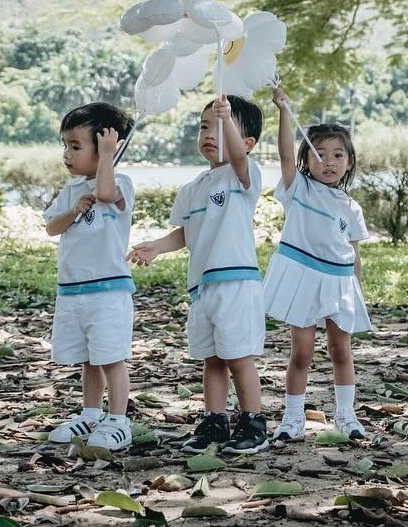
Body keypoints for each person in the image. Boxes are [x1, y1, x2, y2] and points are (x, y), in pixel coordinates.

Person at [130, 95, 269, 454]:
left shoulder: (243, 175)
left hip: (236, 282)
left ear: (248, 143)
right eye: (205, 125)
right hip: (203, 287)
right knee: (212, 358)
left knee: (238, 357)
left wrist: (230, 127)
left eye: (222, 126)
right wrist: (157, 246)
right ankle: (214, 420)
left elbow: (238, 156)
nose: (210, 132)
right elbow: (186, 233)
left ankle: (253, 422)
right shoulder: (192, 189)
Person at [264, 88, 371, 444]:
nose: (329, 161)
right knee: (303, 353)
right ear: (306, 162)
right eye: (319, 154)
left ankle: (346, 415)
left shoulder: (351, 207)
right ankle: (292, 419)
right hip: (303, 280)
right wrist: (284, 111)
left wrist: (357, 290)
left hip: (339, 283)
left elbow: (354, 254)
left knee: (342, 350)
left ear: (349, 161)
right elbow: (282, 153)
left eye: (338, 154)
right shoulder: (300, 190)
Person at [43, 103, 138, 451]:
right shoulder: (69, 191)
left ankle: (118, 420)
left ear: (106, 148)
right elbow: (52, 227)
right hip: (72, 292)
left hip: (108, 291)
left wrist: (109, 158)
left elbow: (107, 194)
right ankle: (91, 412)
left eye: (76, 146)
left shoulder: (120, 182)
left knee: (110, 356)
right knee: (88, 358)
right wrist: (73, 210)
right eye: (64, 145)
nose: (66, 154)